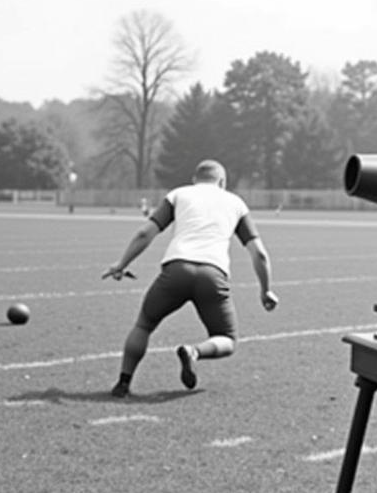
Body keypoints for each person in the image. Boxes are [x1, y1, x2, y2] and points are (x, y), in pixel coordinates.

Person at [102, 159, 278, 397]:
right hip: (212, 275)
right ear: (222, 182)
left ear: (195, 179)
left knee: (143, 325)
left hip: (176, 269)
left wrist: (121, 264)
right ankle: (194, 351)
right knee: (227, 338)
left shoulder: (179, 194)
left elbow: (146, 233)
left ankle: (123, 383)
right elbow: (260, 254)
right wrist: (265, 290)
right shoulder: (235, 202)